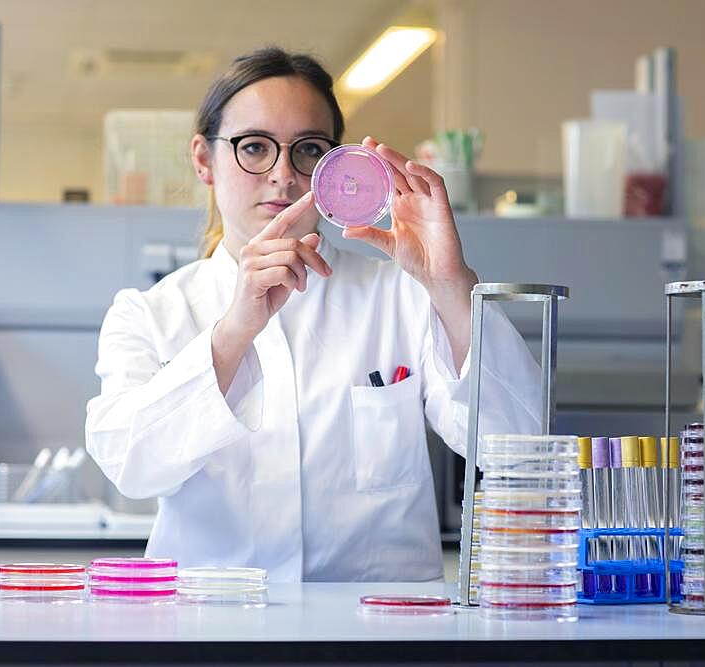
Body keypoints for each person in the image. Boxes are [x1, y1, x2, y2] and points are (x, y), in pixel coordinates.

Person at [86, 47, 541, 581]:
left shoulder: (401, 296)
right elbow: (131, 468)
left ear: (335, 167)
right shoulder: (148, 314)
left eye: (308, 150)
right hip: (212, 632)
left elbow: (521, 447)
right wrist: (234, 332)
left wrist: (450, 283)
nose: (282, 174)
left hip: (377, 638)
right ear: (204, 160)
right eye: (253, 147)